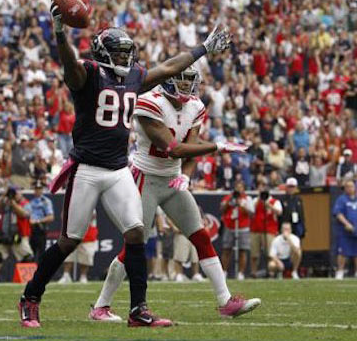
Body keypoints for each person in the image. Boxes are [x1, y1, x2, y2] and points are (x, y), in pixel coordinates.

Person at [19, 0, 231, 328]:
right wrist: (60, 32)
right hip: (87, 168)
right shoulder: (87, 74)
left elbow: (169, 67)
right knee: (69, 240)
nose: (123, 58)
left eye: (125, 53)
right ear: (103, 54)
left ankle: (138, 311)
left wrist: (203, 48)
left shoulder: (133, 78)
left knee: (135, 234)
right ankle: (31, 297)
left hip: (118, 169)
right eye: (117, 53)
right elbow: (69, 65)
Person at [90, 67, 258, 323]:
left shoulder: (196, 106)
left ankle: (225, 301)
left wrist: (187, 176)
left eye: (191, 81)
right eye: (182, 80)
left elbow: (190, 149)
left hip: (172, 179)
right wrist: (218, 146)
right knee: (135, 245)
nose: (186, 87)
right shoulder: (149, 102)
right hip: (145, 178)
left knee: (200, 235)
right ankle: (101, 306)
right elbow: (174, 148)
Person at [0, 186, 32, 283]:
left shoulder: (25, 203)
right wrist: (4, 195)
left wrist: (14, 204)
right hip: (5, 233)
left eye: (16, 193)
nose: (14, 195)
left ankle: (27, 279)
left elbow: (24, 214)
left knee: (27, 257)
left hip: (19, 235)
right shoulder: (6, 201)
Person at [332, 180, 357, 280]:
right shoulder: (341, 200)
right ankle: (340, 271)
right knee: (342, 252)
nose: (349, 188)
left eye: (351, 186)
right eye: (347, 186)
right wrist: (347, 224)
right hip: (345, 230)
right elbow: (338, 214)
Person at [220, 180, 255, 280]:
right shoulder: (228, 197)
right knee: (227, 249)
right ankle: (224, 272)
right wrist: (229, 202)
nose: (239, 189)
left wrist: (241, 205)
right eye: (237, 187)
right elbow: (222, 210)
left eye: (241, 187)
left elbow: (251, 214)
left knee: (242, 250)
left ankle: (241, 273)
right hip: (230, 226)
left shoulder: (247, 199)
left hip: (243, 227)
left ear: (243, 189)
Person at [250, 183, 282, 278]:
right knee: (254, 254)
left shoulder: (274, 201)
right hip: (255, 230)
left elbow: (279, 212)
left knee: (270, 253)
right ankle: (253, 272)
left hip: (269, 230)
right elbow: (251, 212)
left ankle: (271, 272)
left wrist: (269, 206)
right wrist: (259, 200)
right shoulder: (255, 200)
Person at [58, 211, 99, 284]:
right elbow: (63, 216)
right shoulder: (70, 205)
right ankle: (66, 275)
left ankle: (83, 277)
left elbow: (89, 218)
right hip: (72, 234)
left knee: (86, 257)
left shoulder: (91, 206)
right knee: (68, 256)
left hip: (88, 235)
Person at [25, 179, 55, 260]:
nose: (37, 191)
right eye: (36, 189)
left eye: (39, 189)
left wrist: (38, 221)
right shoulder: (30, 202)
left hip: (40, 228)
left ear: (42, 190)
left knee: (41, 253)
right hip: (30, 230)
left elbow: (51, 217)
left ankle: (40, 271)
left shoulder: (46, 202)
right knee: (30, 253)